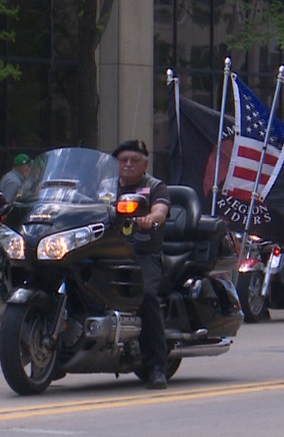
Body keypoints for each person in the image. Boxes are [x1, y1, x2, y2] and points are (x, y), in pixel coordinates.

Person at [112, 139, 170, 390]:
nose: (128, 164)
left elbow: (161, 210)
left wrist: (151, 219)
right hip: (107, 252)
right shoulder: (104, 188)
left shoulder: (155, 187)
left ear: (145, 164)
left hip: (144, 254)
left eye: (134, 160)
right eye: (123, 160)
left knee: (146, 296)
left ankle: (157, 367)